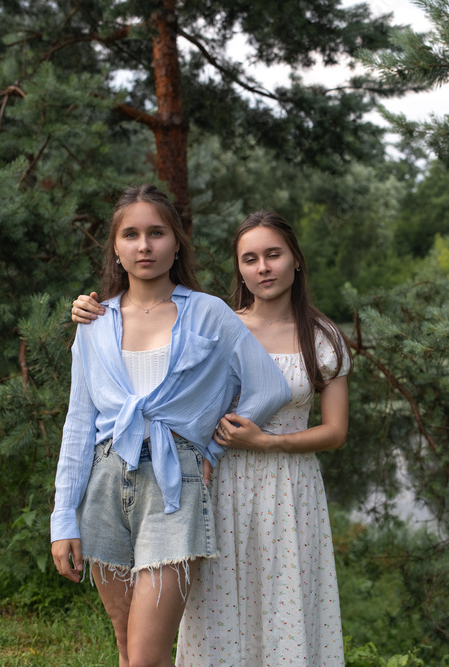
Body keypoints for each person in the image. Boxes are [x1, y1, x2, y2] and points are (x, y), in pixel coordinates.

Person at [72, 211, 350, 666]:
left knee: (287, 603)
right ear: (238, 268)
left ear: (296, 260)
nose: (263, 268)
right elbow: (160, 370)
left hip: (290, 488)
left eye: (274, 255)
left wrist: (267, 443)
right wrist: (92, 308)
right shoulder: (214, 321)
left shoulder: (324, 337)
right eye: (250, 259)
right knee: (215, 613)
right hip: (213, 481)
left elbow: (336, 432)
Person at [52, 186, 290, 667]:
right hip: (104, 482)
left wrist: (211, 449)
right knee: (125, 645)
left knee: (146, 654)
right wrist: (63, 518)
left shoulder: (208, 312)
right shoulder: (94, 321)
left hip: (174, 485)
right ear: (116, 248)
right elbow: (78, 423)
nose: (144, 246)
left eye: (157, 233)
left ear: (177, 243)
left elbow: (269, 387)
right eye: (131, 235)